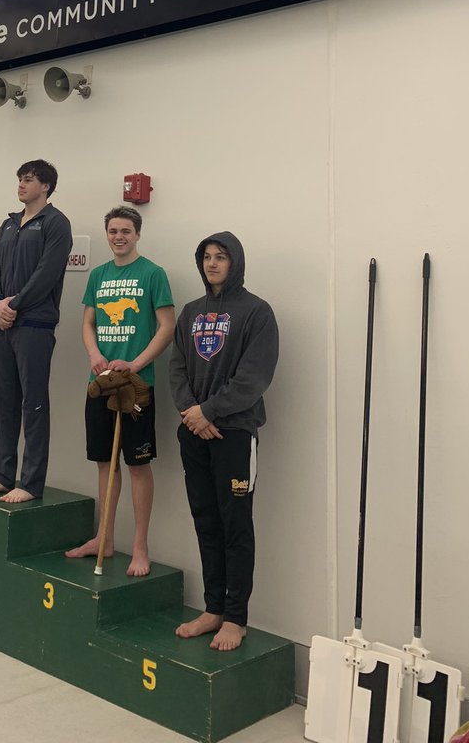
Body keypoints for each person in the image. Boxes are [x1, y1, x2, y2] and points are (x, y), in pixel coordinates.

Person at [170, 231, 278, 652]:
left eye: (221, 257)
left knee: (235, 524)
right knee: (205, 519)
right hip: (194, 430)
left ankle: (236, 618)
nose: (212, 264)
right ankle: (213, 608)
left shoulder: (257, 312)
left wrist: (209, 412)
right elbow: (177, 366)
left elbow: (255, 376)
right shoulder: (192, 311)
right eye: (207, 257)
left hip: (233, 432)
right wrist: (191, 412)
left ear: (236, 263)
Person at [65, 205, 175, 577]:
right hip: (100, 383)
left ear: (137, 234)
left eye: (126, 231)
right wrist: (95, 354)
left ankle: (140, 546)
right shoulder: (97, 275)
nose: (119, 237)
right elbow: (88, 322)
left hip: (137, 387)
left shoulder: (153, 274)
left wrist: (137, 363)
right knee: (104, 462)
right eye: (113, 231)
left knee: (137, 465)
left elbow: (166, 326)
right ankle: (105, 538)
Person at [0, 159, 72, 504]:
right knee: (3, 402)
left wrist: (13, 306)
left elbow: (47, 274)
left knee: (33, 404)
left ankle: (30, 483)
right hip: (2, 324)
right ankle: (2, 475)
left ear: (45, 186)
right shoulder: (8, 225)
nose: (20, 185)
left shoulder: (56, 223)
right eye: (19, 179)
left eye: (28, 180)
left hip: (34, 324)